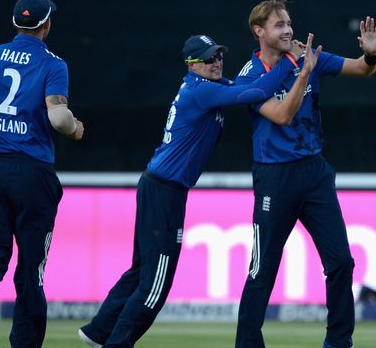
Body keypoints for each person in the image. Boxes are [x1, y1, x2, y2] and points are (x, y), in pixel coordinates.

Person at [77, 33, 319, 348]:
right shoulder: (201, 91)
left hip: (160, 187)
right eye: (208, 58)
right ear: (191, 65)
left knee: (142, 271)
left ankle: (98, 331)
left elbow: (249, 90)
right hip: (164, 192)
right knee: (155, 286)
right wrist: (291, 61)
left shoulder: (211, 88)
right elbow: (258, 90)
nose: (216, 62)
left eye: (218, 56)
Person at [233, 0, 376, 348]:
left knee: (341, 261)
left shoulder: (304, 55)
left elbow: (361, 68)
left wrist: (371, 54)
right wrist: (304, 71)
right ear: (259, 32)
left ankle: (339, 342)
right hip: (274, 177)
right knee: (262, 270)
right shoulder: (248, 78)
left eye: (288, 23)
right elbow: (282, 114)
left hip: (314, 174)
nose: (288, 30)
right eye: (279, 25)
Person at [0, 0, 85, 348]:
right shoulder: (53, 63)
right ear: (46, 25)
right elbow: (58, 117)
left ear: (15, 23)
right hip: (32, 173)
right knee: (31, 270)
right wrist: (75, 128)